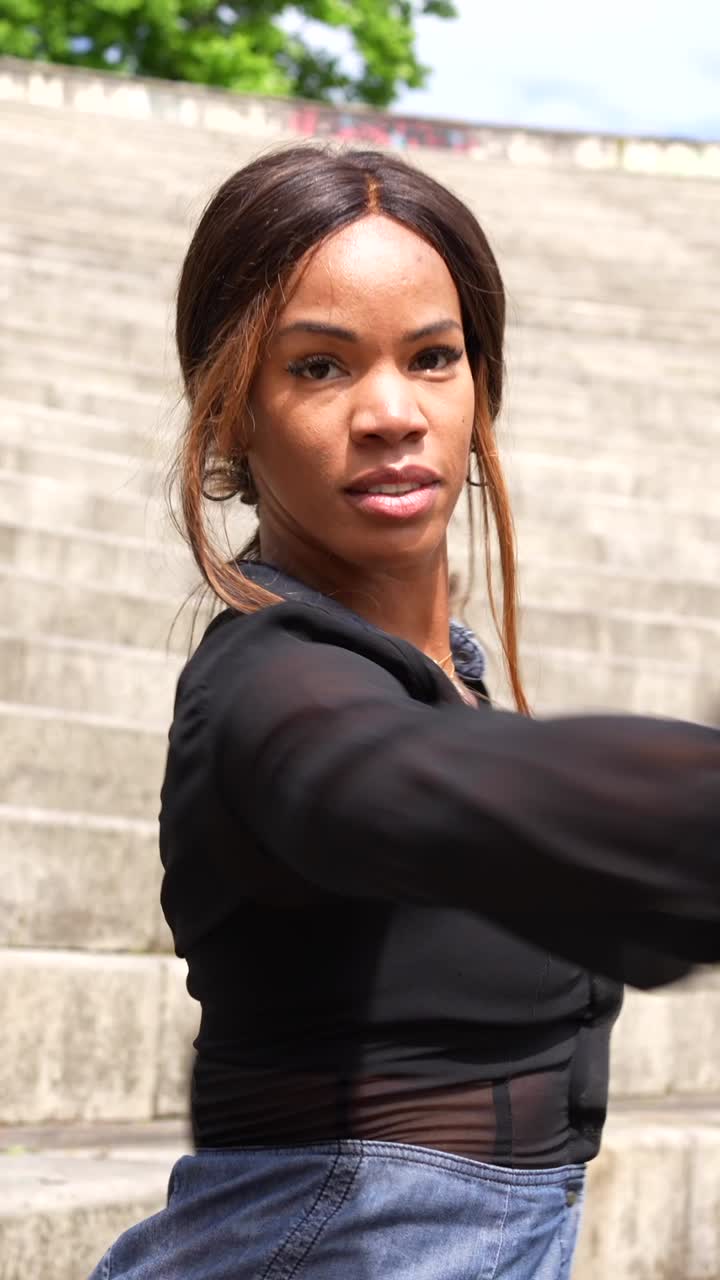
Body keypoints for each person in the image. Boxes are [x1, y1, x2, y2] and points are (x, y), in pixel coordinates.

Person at [90, 144, 719, 1280]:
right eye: (319, 366)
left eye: (433, 357)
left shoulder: (453, 679)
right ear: (230, 417)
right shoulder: (267, 680)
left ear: (480, 390)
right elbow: (370, 773)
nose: (391, 412)